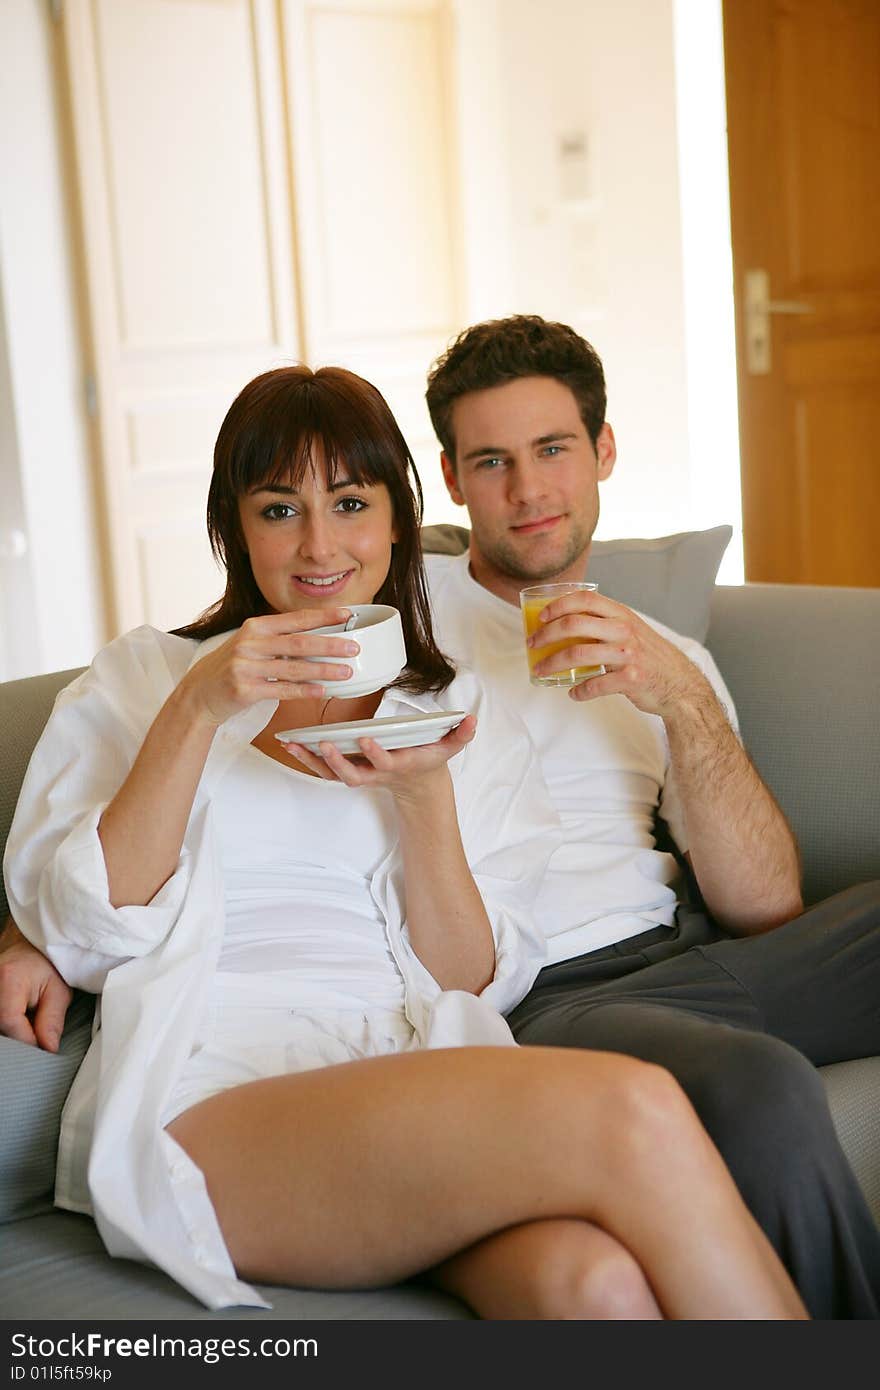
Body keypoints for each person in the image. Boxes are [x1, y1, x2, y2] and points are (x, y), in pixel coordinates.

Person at [0, 364, 806, 1320]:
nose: (319, 544)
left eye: (349, 502)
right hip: (220, 1098)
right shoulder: (146, 680)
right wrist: (200, 706)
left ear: (397, 520)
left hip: (412, 1072)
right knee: (636, 1107)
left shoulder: (456, 711)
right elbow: (87, 935)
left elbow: (469, 980)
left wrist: (426, 801)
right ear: (232, 527)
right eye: (277, 508)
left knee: (593, 1286)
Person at [418, 314, 880, 1319]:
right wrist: (37, 930)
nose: (528, 490)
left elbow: (767, 906)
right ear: (451, 480)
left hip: (699, 955)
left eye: (551, 450)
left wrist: (680, 699)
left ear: (604, 452)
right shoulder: (402, 609)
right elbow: (177, 679)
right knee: (761, 1088)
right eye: (490, 461)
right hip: (547, 997)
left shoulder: (668, 651)